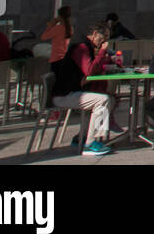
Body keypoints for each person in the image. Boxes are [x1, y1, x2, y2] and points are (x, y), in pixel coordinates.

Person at [50, 23, 117, 156]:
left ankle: (82, 137)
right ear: (94, 34)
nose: (105, 42)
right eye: (103, 37)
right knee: (104, 100)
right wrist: (102, 52)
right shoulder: (81, 48)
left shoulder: (85, 47)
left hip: (68, 92)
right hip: (64, 95)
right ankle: (91, 143)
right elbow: (90, 70)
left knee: (104, 99)